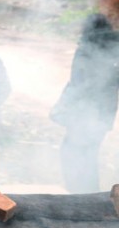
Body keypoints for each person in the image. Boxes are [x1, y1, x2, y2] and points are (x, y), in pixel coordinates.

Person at [51, 13, 119, 193]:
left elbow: (78, 83)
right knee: (89, 157)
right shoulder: (115, 48)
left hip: (82, 115)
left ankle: (77, 198)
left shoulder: (87, 47)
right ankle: (92, 197)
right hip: (103, 117)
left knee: (71, 154)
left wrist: (62, 108)